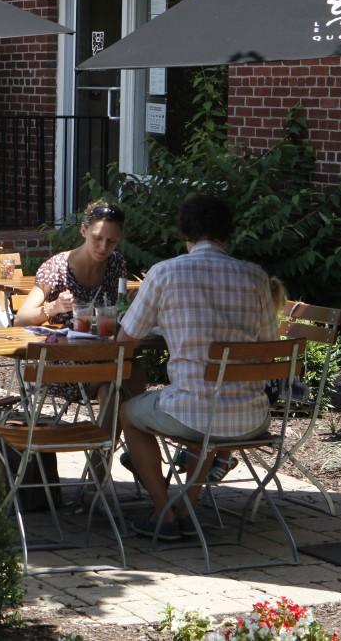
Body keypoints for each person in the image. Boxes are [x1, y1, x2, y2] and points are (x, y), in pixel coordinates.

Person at [116, 193, 277, 542]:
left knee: (130, 412)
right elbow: (269, 345)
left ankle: (163, 512)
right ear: (227, 232)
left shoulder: (164, 273)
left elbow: (124, 341)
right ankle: (188, 503)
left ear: (184, 231)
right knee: (201, 405)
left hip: (194, 412)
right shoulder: (255, 277)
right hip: (251, 417)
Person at [15, 200, 128, 327]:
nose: (103, 247)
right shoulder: (56, 268)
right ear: (84, 230)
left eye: (111, 241)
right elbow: (20, 320)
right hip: (63, 345)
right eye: (97, 238)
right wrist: (54, 307)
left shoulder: (116, 264)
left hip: (105, 344)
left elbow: (121, 310)